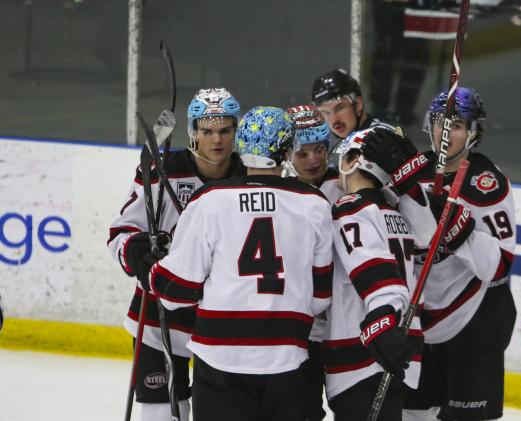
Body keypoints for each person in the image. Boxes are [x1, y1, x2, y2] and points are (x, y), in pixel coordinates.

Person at [150, 106, 334, 421]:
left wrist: (154, 264)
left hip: (221, 363)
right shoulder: (315, 205)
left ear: (241, 146)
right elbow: (320, 300)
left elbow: (173, 291)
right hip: (287, 363)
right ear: (287, 151)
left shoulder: (210, 200)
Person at [361, 87, 517, 421]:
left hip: (476, 317)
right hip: (423, 316)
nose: (444, 134)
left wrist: (448, 217)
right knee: (413, 413)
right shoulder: (419, 170)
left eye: (456, 125)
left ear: (474, 131)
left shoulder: (486, 182)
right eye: (438, 123)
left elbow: (497, 265)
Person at [107, 87, 246, 421]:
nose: (217, 140)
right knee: (162, 414)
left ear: (236, 132)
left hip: (219, 321)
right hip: (158, 317)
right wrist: (135, 252)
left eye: (225, 130)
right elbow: (119, 233)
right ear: (192, 131)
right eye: (207, 131)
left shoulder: (249, 178)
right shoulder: (161, 169)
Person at [322, 128, 423, 421]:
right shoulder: (394, 211)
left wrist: (381, 318)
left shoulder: (351, 208)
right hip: (401, 349)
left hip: (364, 352)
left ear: (355, 160)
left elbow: (374, 269)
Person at [284, 104, 344, 421]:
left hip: (342, 327)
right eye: (302, 153)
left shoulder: (347, 185)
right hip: (298, 332)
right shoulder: (276, 192)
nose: (314, 160)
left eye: (319, 149)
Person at [311, 68, 396, 149]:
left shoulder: (383, 137)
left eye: (340, 108)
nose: (334, 120)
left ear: (358, 105)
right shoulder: (333, 147)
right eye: (325, 112)